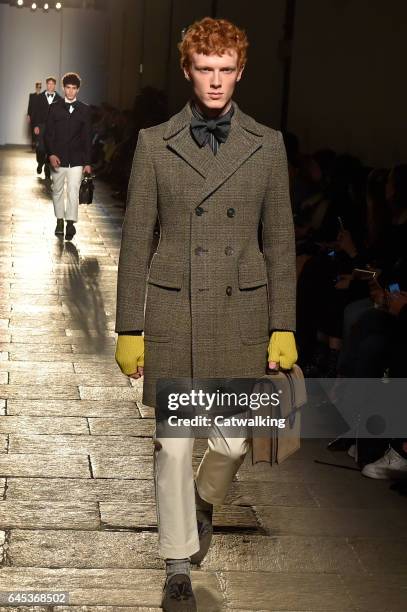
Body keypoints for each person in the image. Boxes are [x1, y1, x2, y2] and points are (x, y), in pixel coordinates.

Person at [114, 17, 297, 611]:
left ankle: (202, 501)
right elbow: (136, 238)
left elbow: (283, 242)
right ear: (188, 70)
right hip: (174, 309)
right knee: (173, 446)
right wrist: (129, 326)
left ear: (240, 72)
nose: (215, 82)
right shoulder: (153, 143)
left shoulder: (267, 145)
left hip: (241, 312)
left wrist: (284, 322)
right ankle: (175, 559)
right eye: (204, 69)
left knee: (233, 442)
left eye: (225, 70)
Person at [45, 72, 92, 240]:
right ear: (63, 88)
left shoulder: (85, 110)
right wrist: (50, 154)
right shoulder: (54, 107)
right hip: (58, 158)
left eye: (74, 88)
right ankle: (59, 220)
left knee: (73, 191)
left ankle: (70, 223)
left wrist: (87, 162)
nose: (71, 91)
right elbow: (48, 134)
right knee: (57, 190)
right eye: (68, 88)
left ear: (78, 90)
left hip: (77, 159)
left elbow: (87, 136)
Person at [31, 76, 62, 178]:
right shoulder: (40, 97)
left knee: (50, 148)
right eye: (49, 84)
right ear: (46, 85)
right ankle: (40, 162)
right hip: (42, 125)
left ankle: (47, 168)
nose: (50, 86)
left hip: (53, 127)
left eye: (52, 84)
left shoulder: (59, 98)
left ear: (55, 85)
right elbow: (35, 112)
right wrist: (35, 125)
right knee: (41, 148)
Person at [27, 81, 42, 151]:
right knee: (32, 131)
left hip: (40, 117)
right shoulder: (32, 95)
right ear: (36, 87)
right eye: (38, 87)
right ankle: (33, 145)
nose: (39, 88)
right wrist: (28, 115)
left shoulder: (43, 96)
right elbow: (29, 106)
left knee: (39, 131)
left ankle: (37, 145)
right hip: (33, 116)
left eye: (40, 87)